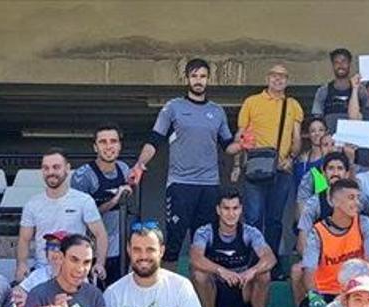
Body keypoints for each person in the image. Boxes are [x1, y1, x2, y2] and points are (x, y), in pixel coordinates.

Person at [129, 59, 241, 271]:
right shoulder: (173, 107)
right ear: (187, 78)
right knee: (174, 241)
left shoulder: (217, 111)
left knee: (204, 244)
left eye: (203, 76)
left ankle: (200, 298)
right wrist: (140, 164)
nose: (199, 81)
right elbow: (155, 139)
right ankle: (169, 291)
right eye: (194, 76)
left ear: (209, 79)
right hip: (181, 184)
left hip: (209, 185)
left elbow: (228, 146)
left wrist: (242, 144)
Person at [236, 64, 304, 274]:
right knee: (253, 218)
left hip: (281, 169)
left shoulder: (293, 105)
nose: (278, 79)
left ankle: (271, 266)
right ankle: (253, 262)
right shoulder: (251, 102)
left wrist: (291, 158)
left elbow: (297, 138)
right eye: (274, 75)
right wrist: (237, 164)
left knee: (274, 220)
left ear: (287, 80)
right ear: (267, 78)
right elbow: (241, 136)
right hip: (255, 167)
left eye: (282, 76)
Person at [190, 187, 277, 307]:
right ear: (218, 210)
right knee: (199, 274)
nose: (231, 213)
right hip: (214, 293)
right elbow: (195, 258)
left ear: (241, 209)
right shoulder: (205, 232)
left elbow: (269, 257)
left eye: (235, 208)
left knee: (264, 274)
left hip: (242, 291)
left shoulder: (250, 232)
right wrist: (221, 271)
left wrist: (252, 271)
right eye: (226, 208)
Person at [16, 148, 108, 282]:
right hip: (43, 271)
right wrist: (22, 264)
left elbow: (101, 234)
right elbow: (24, 239)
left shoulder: (84, 200)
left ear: (67, 168)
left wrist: (100, 263)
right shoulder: (32, 204)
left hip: (76, 270)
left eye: (56, 167)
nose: (50, 172)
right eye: (46, 168)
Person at [71, 122, 133, 284]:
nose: (108, 146)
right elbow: (82, 216)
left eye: (113, 141)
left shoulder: (124, 169)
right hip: (90, 251)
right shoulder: (83, 176)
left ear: (120, 146)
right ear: (95, 147)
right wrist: (115, 200)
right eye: (103, 142)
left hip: (119, 249)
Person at [301, 178, 369, 301]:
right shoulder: (317, 232)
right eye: (351, 198)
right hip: (326, 293)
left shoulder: (365, 224)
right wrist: (316, 300)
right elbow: (309, 272)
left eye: (358, 198)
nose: (357, 203)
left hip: (358, 292)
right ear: (334, 201)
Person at [313, 48, 364, 131]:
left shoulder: (360, 90)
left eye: (344, 61)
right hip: (330, 140)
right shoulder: (323, 91)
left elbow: (368, 114)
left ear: (349, 64)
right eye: (336, 62)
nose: (340, 65)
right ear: (333, 65)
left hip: (355, 138)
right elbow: (317, 118)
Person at [292, 116, 329, 193]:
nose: (317, 133)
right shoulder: (301, 160)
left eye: (321, 130)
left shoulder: (331, 158)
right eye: (313, 131)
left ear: (326, 132)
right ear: (308, 135)